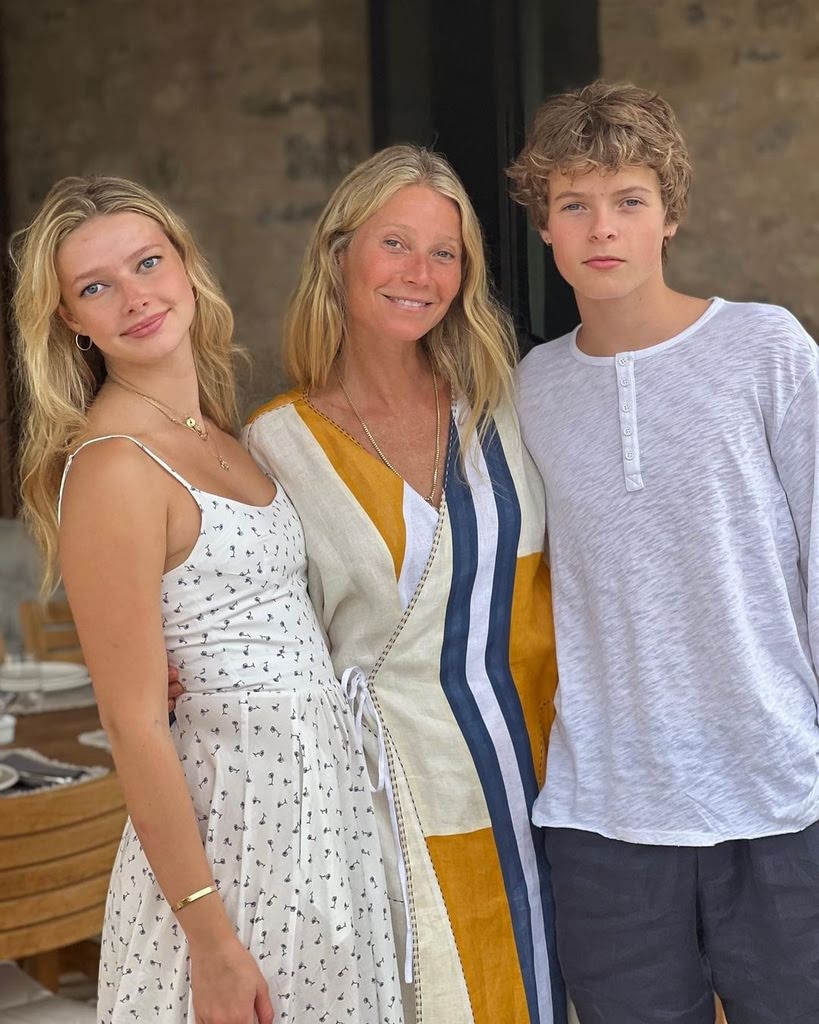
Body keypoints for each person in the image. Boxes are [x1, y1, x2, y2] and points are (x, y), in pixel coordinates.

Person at [12, 175, 404, 1024]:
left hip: (319, 817)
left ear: (186, 266)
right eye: (95, 288)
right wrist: (210, 941)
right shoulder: (114, 465)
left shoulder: (223, 431)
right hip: (231, 832)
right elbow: (133, 724)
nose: (134, 297)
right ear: (70, 319)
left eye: (147, 263)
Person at [509, 80, 819, 1023]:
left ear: (668, 215)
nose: (601, 227)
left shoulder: (766, 349)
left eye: (628, 200)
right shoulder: (528, 389)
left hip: (779, 796)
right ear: (545, 227)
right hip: (603, 815)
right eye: (574, 204)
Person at [242, 145, 566, 1024]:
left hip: (550, 779)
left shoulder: (509, 406)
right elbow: (260, 625)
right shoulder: (277, 446)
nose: (419, 274)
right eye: (394, 243)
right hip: (385, 803)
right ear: (338, 252)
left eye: (444, 253)